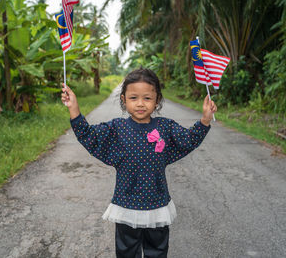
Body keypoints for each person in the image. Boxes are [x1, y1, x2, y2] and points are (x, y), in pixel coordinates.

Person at [61, 68, 217, 258]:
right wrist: (74, 109)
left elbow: (188, 139)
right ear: (123, 100)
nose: (140, 104)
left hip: (157, 205)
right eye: (134, 98)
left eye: (147, 98)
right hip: (126, 206)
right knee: (127, 252)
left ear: (157, 100)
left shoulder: (166, 127)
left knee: (157, 251)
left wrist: (205, 120)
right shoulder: (116, 128)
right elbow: (89, 136)